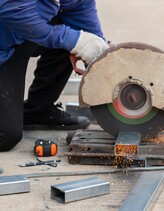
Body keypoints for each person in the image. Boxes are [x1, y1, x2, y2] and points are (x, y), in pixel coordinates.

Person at [0, 0, 109, 152]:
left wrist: (103, 63)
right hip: (8, 26)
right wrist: (69, 38)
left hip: (16, 31)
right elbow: (12, 11)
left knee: (74, 36)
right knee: (6, 136)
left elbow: (80, 11)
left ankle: (37, 111)